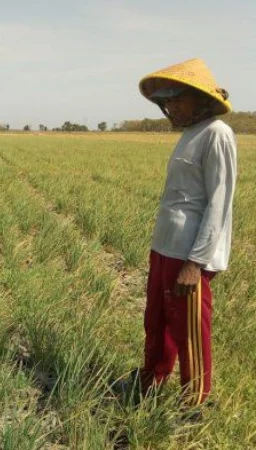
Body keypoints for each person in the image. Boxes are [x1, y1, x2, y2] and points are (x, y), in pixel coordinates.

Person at [137, 58, 237, 409]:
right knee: (157, 322)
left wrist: (196, 263)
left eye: (178, 98)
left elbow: (219, 203)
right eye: (167, 101)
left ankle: (192, 405)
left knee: (190, 332)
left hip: (187, 255)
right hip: (164, 247)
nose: (171, 106)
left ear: (201, 98)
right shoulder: (189, 135)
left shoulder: (216, 133)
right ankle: (149, 385)